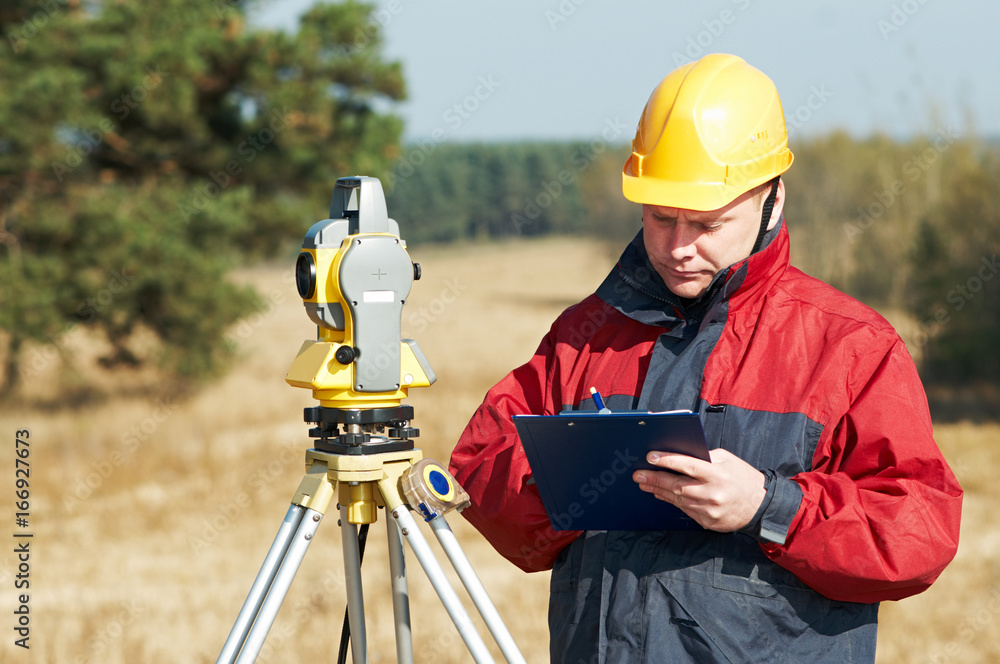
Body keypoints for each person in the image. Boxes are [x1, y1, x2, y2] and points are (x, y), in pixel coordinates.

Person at [447, 53, 963, 664]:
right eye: (661, 217)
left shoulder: (850, 347)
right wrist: (570, 486)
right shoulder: (586, 332)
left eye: (708, 224)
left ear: (773, 197)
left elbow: (919, 534)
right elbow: (480, 467)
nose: (678, 247)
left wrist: (770, 508)